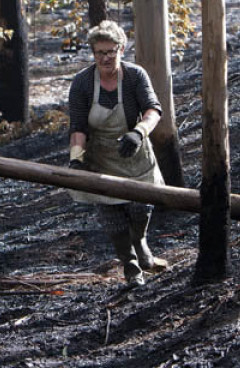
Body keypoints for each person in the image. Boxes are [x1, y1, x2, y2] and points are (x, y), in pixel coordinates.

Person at [67, 20, 168, 286]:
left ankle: (141, 241)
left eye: (111, 51)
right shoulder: (82, 83)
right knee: (112, 218)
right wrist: (76, 161)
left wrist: (138, 132)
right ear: (93, 53)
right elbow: (78, 127)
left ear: (121, 49)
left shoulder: (135, 76)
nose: (106, 57)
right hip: (100, 157)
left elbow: (153, 109)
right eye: (100, 52)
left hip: (135, 153)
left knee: (140, 207)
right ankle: (130, 265)